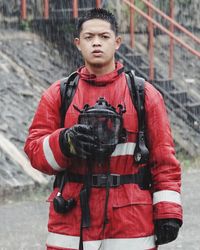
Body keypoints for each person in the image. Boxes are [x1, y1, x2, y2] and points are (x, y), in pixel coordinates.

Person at [24, 8, 183, 250]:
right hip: (71, 224)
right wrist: (65, 142)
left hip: (129, 227)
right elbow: (35, 152)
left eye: (104, 37)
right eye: (89, 37)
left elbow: (164, 160)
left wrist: (168, 212)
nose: (96, 43)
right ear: (78, 43)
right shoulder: (59, 94)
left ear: (117, 42)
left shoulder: (144, 95)